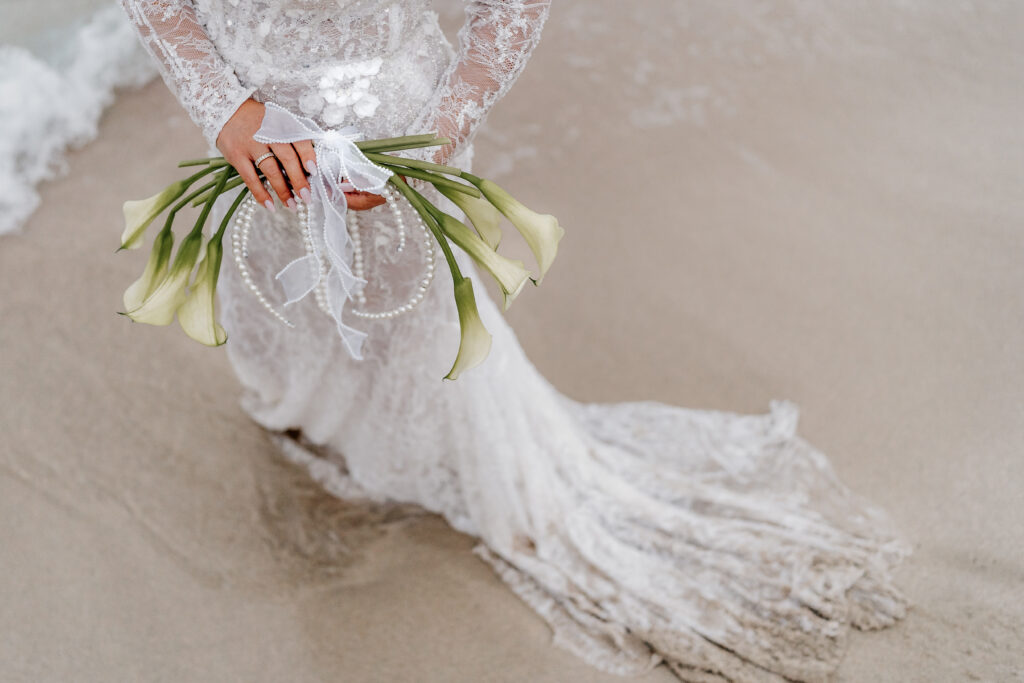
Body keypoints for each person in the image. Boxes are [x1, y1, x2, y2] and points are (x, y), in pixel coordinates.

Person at [118, 1, 908, 679]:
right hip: (255, 149)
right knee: (282, 315)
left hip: (398, 149)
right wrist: (225, 107)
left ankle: (407, 461)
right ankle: (322, 430)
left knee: (410, 333)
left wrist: (442, 123)